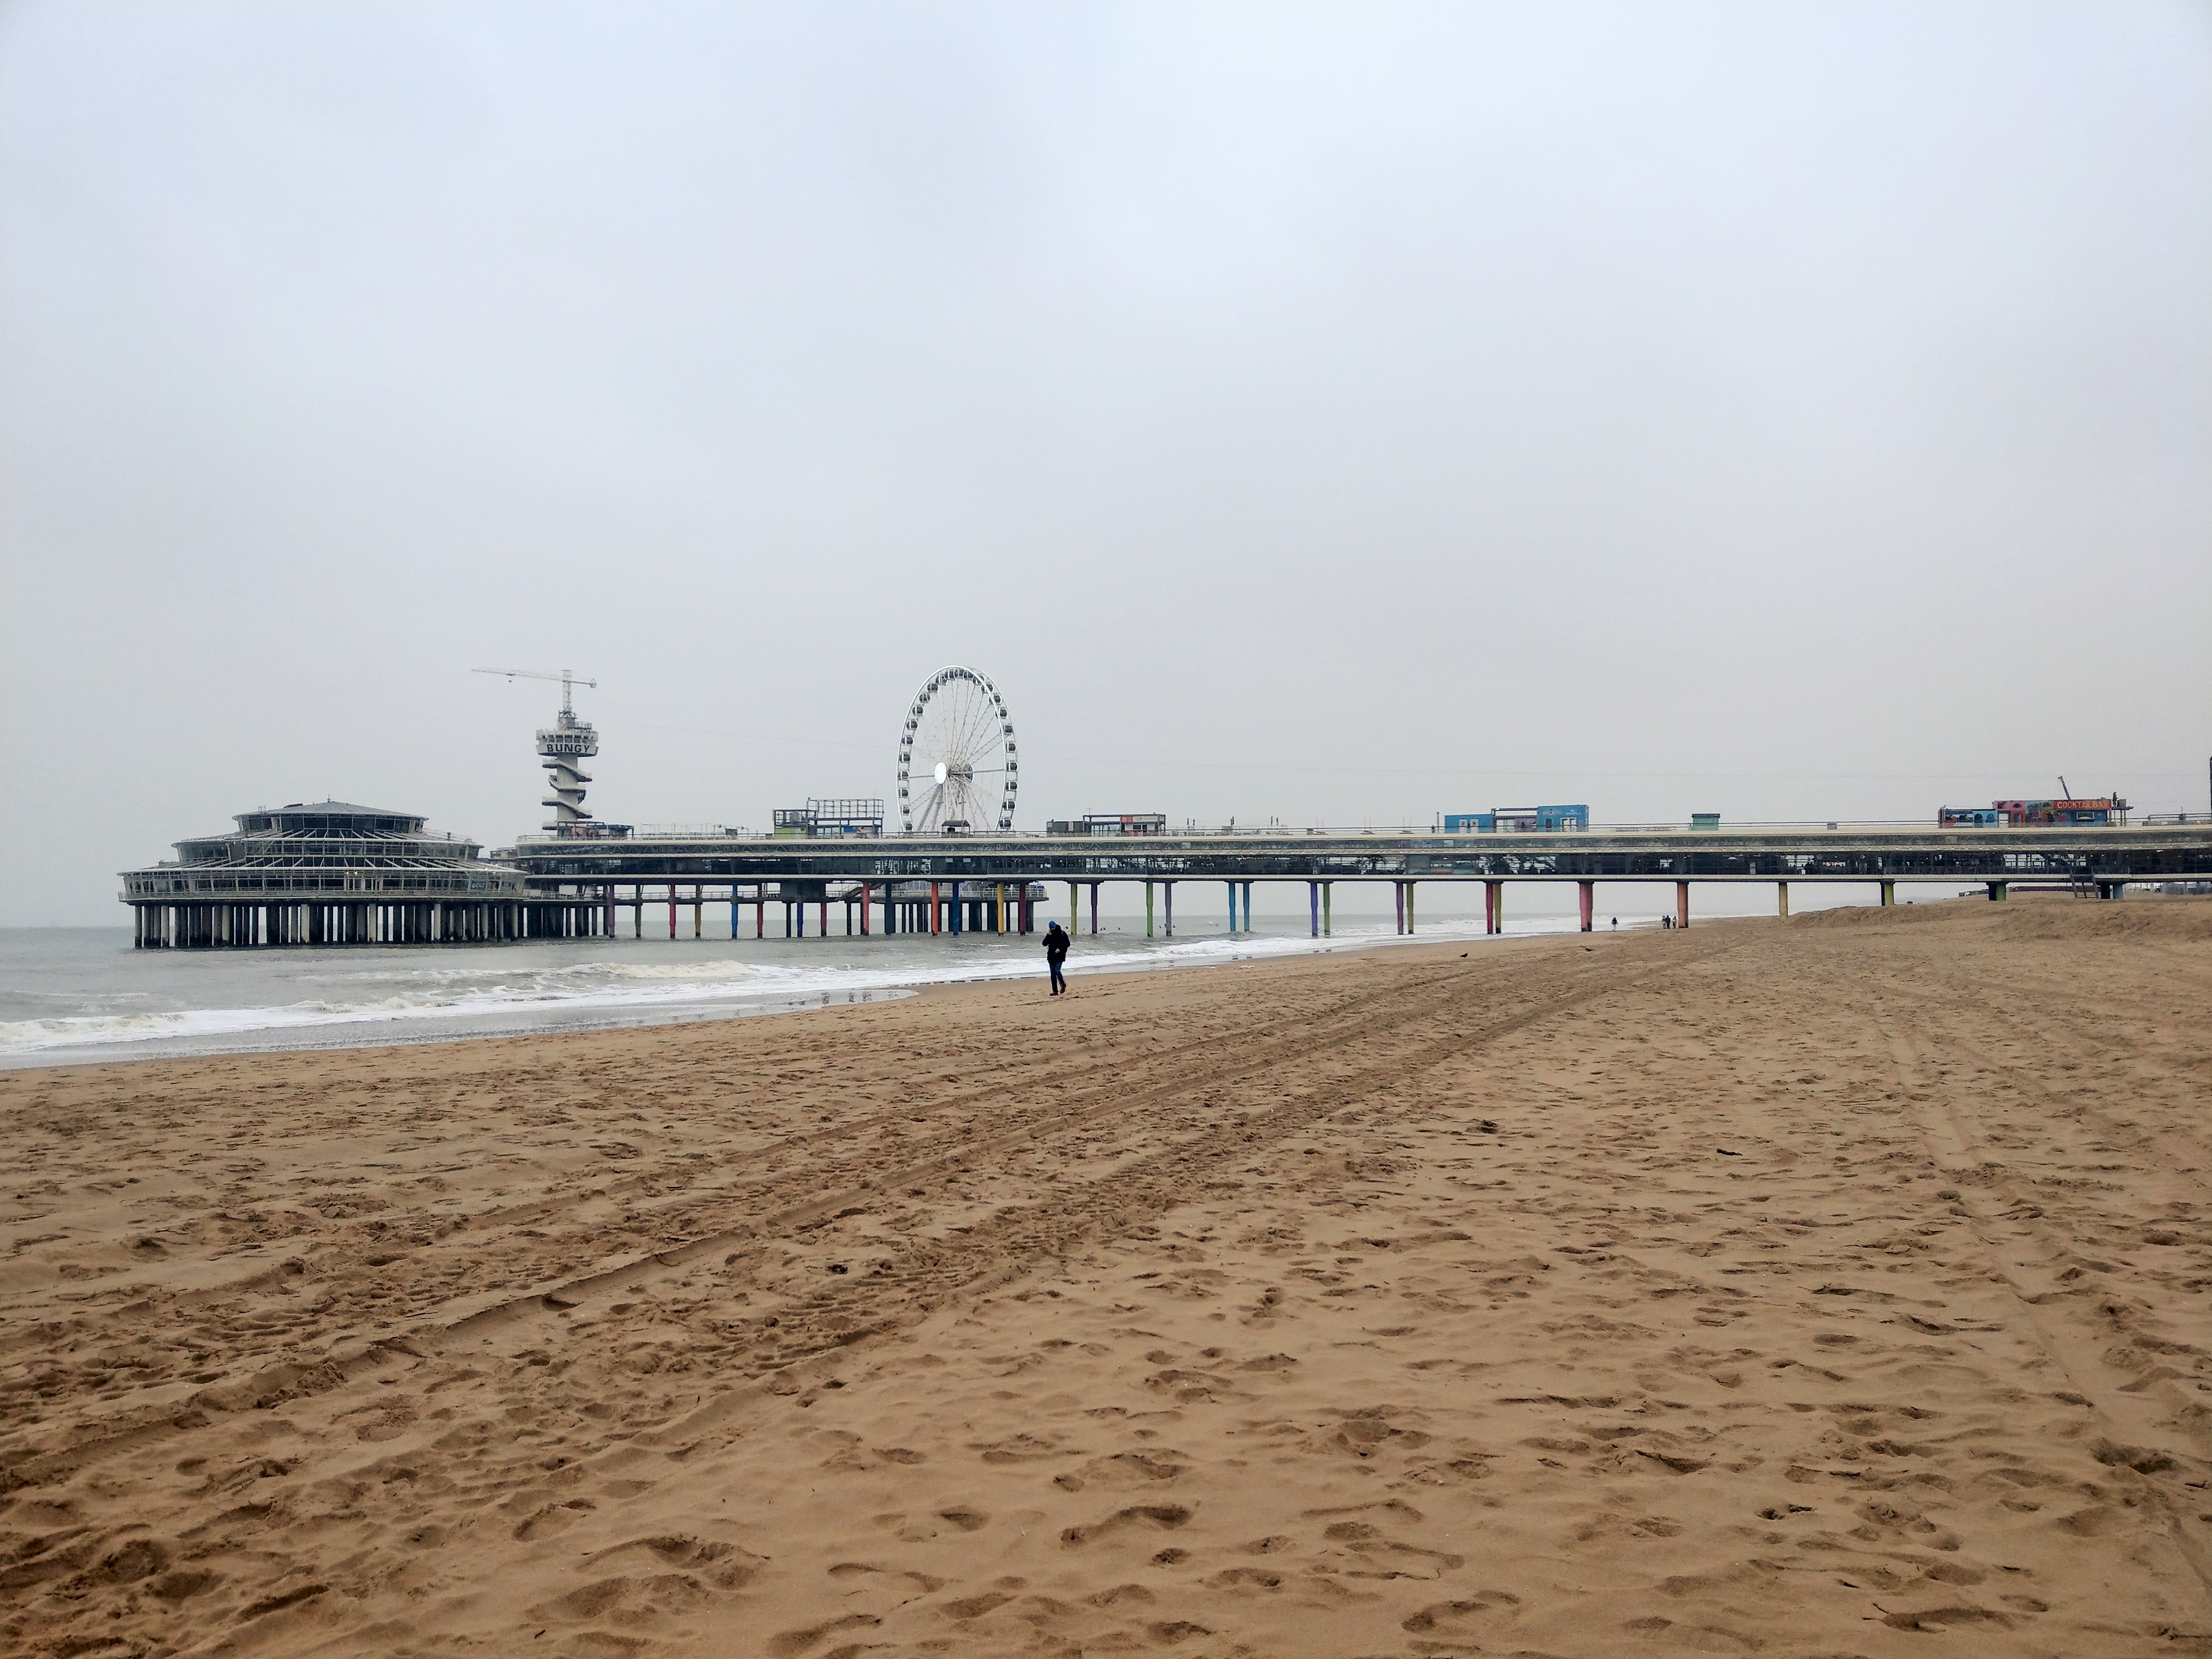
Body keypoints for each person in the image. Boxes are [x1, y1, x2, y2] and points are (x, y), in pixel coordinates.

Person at [1043, 919, 1070, 996]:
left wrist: (1060, 949)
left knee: (1057, 971)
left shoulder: (1062, 933)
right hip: (1051, 957)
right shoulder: (1050, 934)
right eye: (1052, 928)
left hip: (1060, 956)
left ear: (1056, 926)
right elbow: (1044, 944)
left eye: (1054, 927)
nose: (1053, 929)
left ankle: (1063, 985)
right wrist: (1048, 936)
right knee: (1053, 975)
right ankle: (1055, 991)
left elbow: (1067, 944)